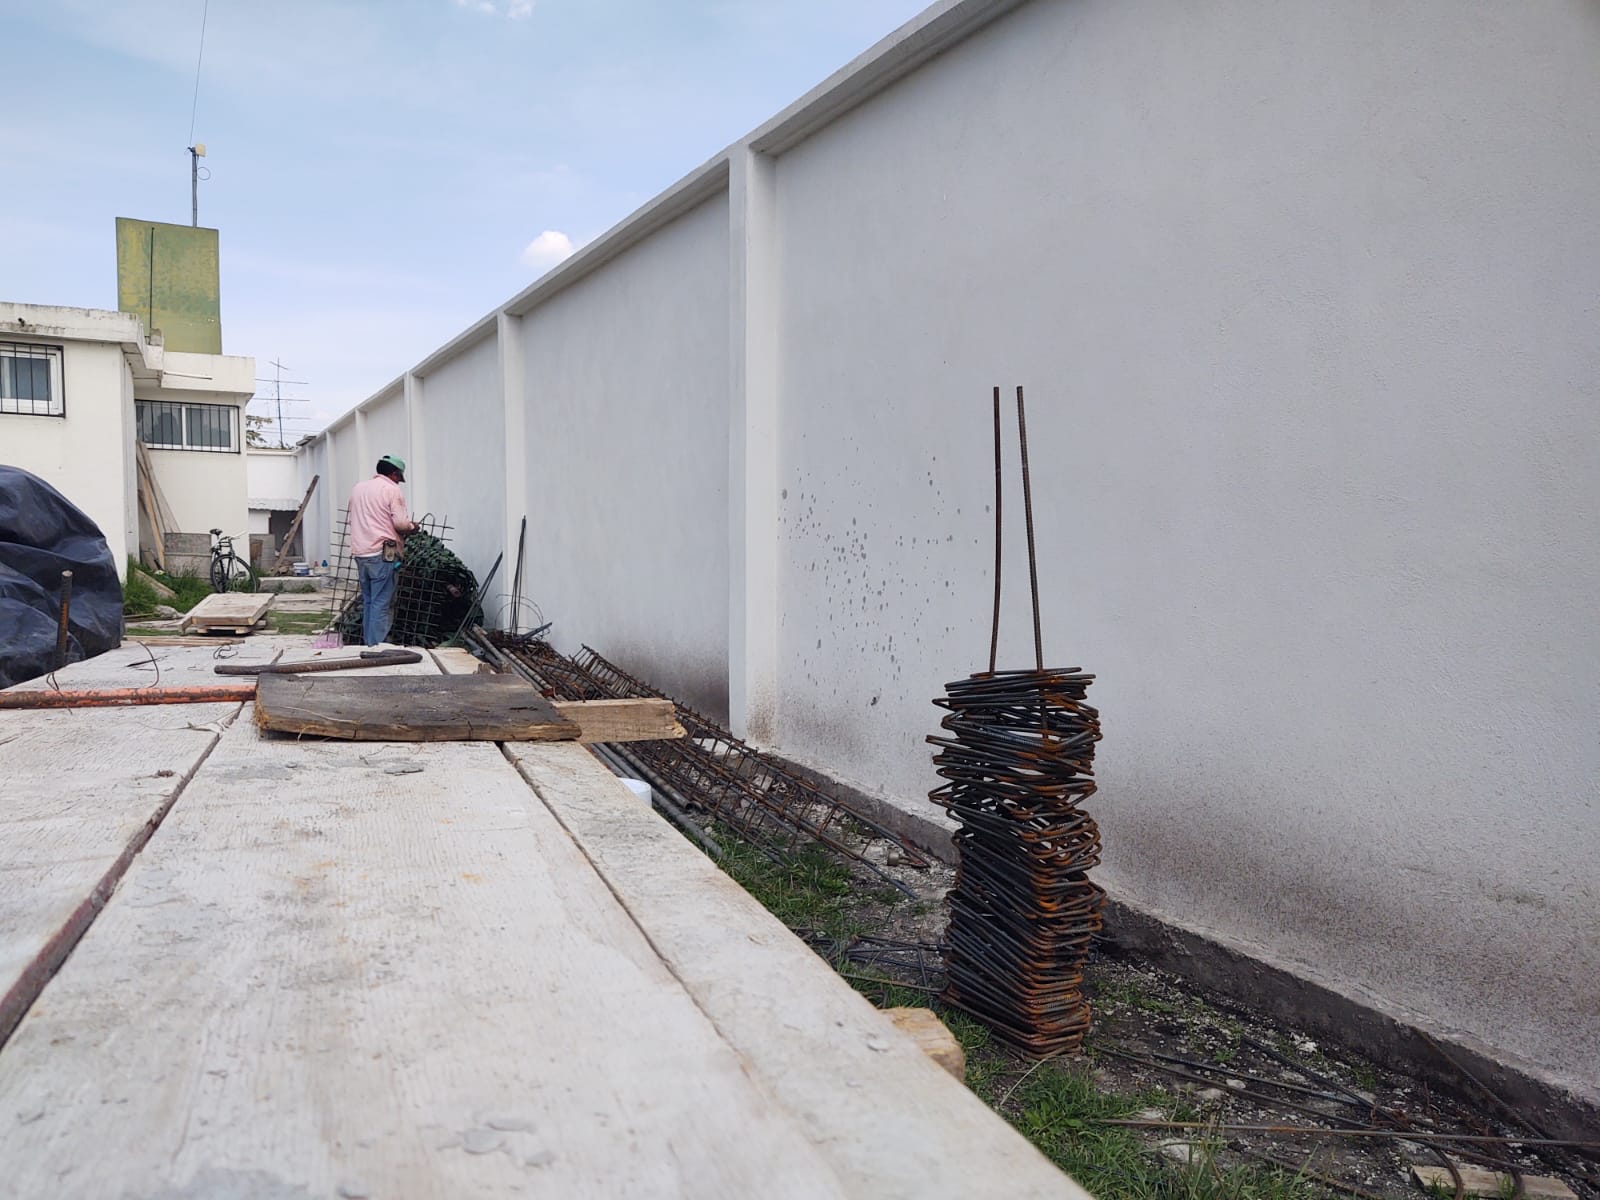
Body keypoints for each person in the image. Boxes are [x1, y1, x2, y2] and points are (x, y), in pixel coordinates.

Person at [347, 455, 418, 645]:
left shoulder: (358, 488)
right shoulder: (391, 490)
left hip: (361, 552)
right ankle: (377, 647)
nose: (398, 481)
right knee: (382, 602)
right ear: (394, 473)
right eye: (398, 477)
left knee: (370, 600)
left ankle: (369, 642)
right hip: (383, 551)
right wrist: (413, 527)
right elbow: (401, 524)